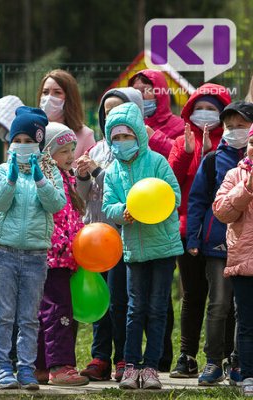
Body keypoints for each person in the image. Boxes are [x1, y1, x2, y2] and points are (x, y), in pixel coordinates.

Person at [102, 102, 183, 390]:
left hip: (162, 247)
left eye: (127, 136)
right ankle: (130, 365)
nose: (121, 142)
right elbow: (107, 205)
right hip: (134, 250)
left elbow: (174, 196)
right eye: (116, 137)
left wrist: (155, 206)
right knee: (135, 308)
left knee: (158, 307)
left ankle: (151, 368)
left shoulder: (158, 162)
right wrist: (121, 210)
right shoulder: (112, 172)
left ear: (139, 135)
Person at [0, 106, 66, 390]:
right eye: (17, 141)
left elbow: (56, 204)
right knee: (4, 314)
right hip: (6, 253)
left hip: (35, 256)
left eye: (28, 141)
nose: (22, 146)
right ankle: (3, 368)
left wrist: (40, 179)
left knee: (29, 318)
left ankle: (26, 368)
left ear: (39, 143)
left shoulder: (49, 171)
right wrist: (10, 179)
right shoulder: (1, 170)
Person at [76, 87, 143, 382]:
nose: (110, 117)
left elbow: (125, 188)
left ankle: (124, 356)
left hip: (121, 236)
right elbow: (83, 195)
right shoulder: (95, 149)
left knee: (120, 300)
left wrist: (98, 171)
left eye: (118, 111)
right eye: (106, 112)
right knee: (100, 299)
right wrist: (81, 176)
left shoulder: (135, 152)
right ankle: (100, 356)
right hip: (93, 237)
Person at [187, 101, 253, 385]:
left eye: (242, 126)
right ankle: (213, 361)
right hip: (216, 244)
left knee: (243, 310)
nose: (235, 131)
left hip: (247, 247)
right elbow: (198, 200)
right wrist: (193, 236)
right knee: (219, 303)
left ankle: (238, 362)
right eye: (230, 126)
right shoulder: (214, 159)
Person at [168, 84, 231, 379]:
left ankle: (224, 355)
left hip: (221, 231)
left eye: (212, 109)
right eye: (199, 108)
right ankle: (187, 355)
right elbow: (172, 183)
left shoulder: (231, 143)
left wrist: (211, 156)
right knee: (193, 295)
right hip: (187, 229)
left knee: (225, 298)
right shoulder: (182, 142)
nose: (205, 114)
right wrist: (190, 154)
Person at [35, 122, 89, 386]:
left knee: (48, 311)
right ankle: (60, 366)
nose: (70, 156)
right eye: (64, 150)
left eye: (71, 149)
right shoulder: (47, 179)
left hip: (65, 257)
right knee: (58, 311)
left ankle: (41, 367)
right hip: (52, 256)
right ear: (47, 154)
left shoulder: (67, 178)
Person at [212, 126, 253, 397]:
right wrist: (246, 187)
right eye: (252, 143)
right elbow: (222, 211)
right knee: (248, 322)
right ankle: (248, 375)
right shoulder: (234, 175)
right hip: (244, 261)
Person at [37, 69, 95, 160]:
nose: (49, 98)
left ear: (70, 97)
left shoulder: (85, 135)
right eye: (45, 92)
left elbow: (90, 171)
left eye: (57, 92)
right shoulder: (33, 131)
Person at [129, 69, 185, 158]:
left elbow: (185, 155)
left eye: (145, 90)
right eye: (135, 91)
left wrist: (154, 138)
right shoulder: (129, 124)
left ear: (159, 94)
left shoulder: (181, 126)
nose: (139, 96)